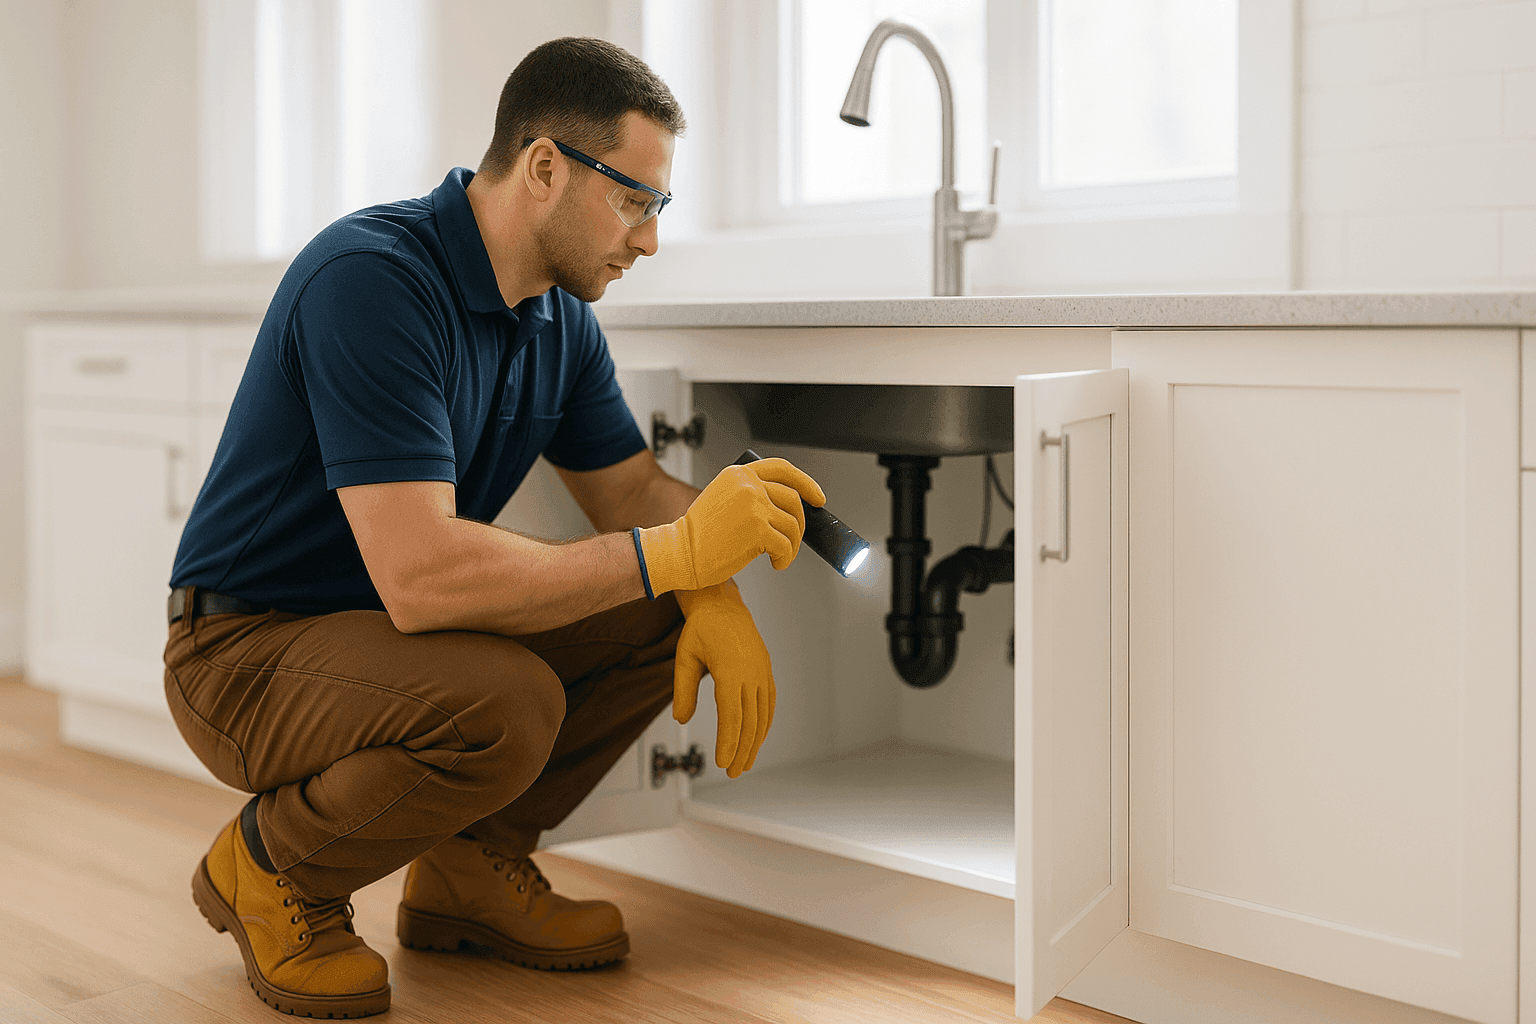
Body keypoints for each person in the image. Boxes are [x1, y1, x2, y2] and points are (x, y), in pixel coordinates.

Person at [163, 36, 824, 1019]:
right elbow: (423, 578)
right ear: (548, 166)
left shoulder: (560, 322)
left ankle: (469, 871)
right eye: (634, 200)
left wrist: (716, 574)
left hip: (377, 640)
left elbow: (633, 492)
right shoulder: (373, 279)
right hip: (243, 651)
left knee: (662, 608)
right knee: (507, 700)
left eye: (659, 207)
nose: (647, 239)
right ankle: (269, 869)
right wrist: (680, 554)